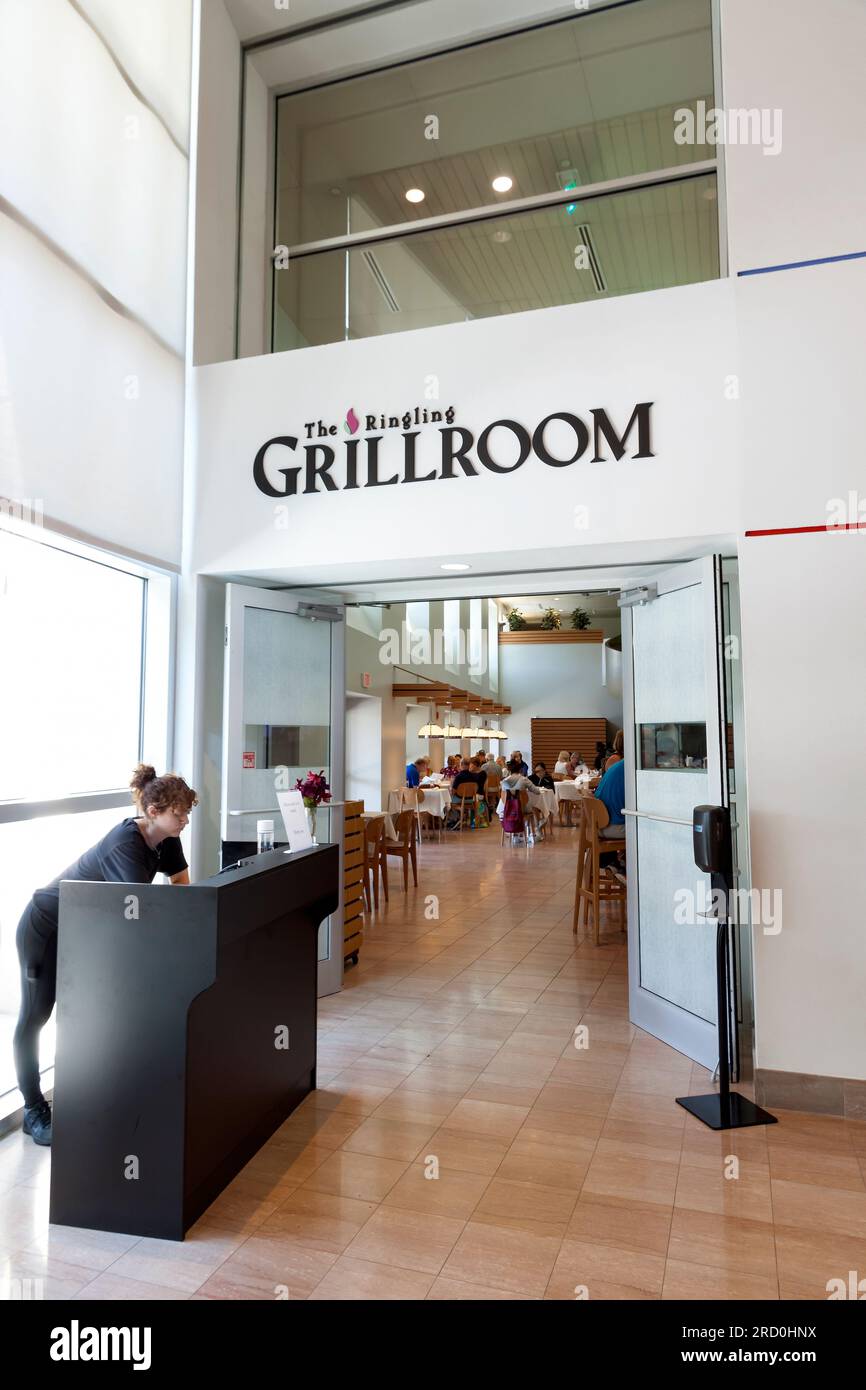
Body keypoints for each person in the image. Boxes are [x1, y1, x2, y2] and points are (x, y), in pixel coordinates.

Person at [13, 764, 197, 1147]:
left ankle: (85, 1097)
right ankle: (33, 1111)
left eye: (186, 813)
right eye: (178, 813)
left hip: (85, 931)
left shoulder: (166, 839)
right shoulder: (126, 844)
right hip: (46, 928)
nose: (184, 820)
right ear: (153, 812)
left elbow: (181, 882)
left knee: (85, 1015)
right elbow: (137, 911)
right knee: (36, 1016)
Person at [594, 756, 626, 866]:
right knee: (649, 829)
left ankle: (620, 865)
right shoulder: (631, 768)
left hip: (599, 825)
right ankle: (630, 872)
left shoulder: (616, 766)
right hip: (612, 826)